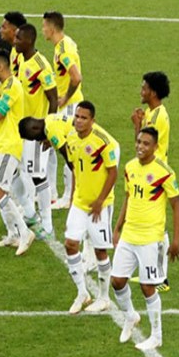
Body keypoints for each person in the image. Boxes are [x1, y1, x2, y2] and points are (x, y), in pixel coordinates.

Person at [111, 127, 179, 350]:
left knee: (147, 286)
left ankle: (156, 336)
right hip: (129, 235)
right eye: (139, 142)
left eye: (146, 143)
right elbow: (128, 197)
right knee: (117, 280)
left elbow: (176, 207)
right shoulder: (130, 167)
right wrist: (117, 227)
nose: (141, 147)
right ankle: (131, 316)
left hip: (151, 238)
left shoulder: (164, 172)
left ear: (155, 147)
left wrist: (176, 240)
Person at [61, 101, 120, 314]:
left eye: (84, 117)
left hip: (100, 206)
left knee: (100, 251)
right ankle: (82, 293)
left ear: (92, 120)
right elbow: (76, 169)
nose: (78, 120)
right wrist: (72, 198)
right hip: (79, 202)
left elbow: (113, 172)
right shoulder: (71, 139)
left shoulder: (104, 142)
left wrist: (100, 201)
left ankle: (104, 298)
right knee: (70, 244)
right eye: (77, 116)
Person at [0, 48, 34, 255]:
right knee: (2, 190)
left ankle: (24, 232)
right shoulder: (4, 85)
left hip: (9, 146)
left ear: (1, 66)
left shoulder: (13, 86)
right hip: (1, 144)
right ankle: (12, 234)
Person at [13, 24, 58, 238]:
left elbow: (53, 98)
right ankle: (32, 213)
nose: (15, 41)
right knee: (25, 171)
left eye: (18, 38)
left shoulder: (41, 65)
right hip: (24, 129)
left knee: (38, 176)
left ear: (29, 41)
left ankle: (47, 225)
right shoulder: (22, 60)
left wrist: (49, 130)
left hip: (38, 132)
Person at [131, 71, 172, 292]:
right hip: (149, 172)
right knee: (154, 223)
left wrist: (138, 125)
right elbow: (140, 147)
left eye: (144, 87)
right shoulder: (151, 112)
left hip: (155, 176)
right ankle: (155, 273)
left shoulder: (158, 117)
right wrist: (139, 122)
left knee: (158, 225)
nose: (141, 90)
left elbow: (144, 145)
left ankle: (161, 277)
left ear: (153, 92)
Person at [42, 11, 83, 209]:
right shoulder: (65, 44)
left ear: (51, 27)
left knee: (69, 148)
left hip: (70, 107)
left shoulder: (63, 50)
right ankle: (52, 192)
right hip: (66, 106)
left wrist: (65, 98)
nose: (42, 30)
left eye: (44, 27)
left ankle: (68, 196)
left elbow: (76, 77)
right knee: (53, 145)